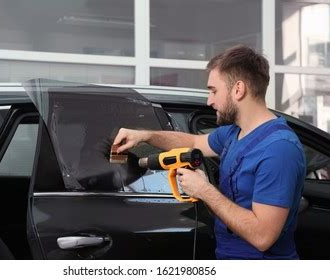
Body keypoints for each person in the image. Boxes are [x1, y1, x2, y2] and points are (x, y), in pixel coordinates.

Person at [112, 45, 306, 259]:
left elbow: (262, 237)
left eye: (213, 90)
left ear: (238, 90)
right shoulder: (234, 133)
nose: (209, 100)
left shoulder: (279, 150)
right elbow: (194, 142)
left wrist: (204, 190)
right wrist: (145, 136)